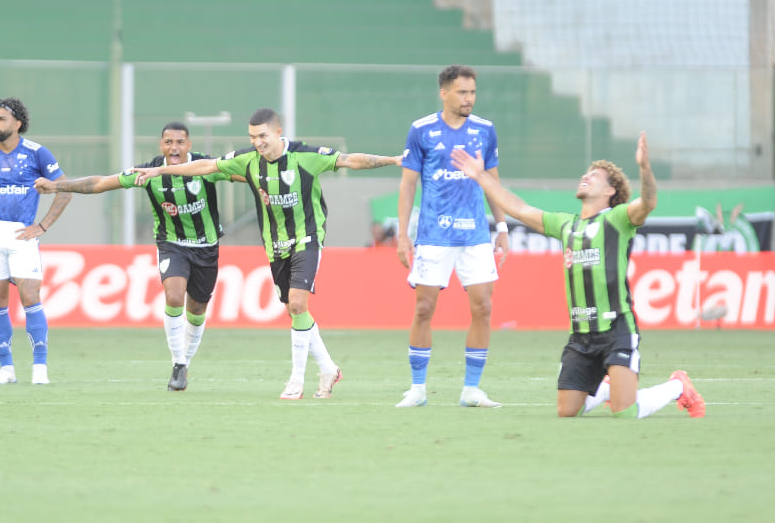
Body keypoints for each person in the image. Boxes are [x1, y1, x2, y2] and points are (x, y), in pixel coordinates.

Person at [136, 108, 401, 400]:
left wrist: (392, 160)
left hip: (307, 238)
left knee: (299, 304)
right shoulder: (248, 160)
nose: (258, 143)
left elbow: (350, 160)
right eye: (252, 137)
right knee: (293, 310)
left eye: (262, 136)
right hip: (275, 245)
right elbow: (205, 166)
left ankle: (296, 381)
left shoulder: (305, 156)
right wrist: (160, 170)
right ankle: (328, 368)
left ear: (278, 132)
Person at [450, 133, 706, 419]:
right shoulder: (565, 225)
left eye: (595, 176)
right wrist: (480, 176)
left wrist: (645, 169)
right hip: (581, 337)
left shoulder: (618, 219)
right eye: (586, 173)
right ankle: (606, 388)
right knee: (568, 411)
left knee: (625, 413)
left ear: (611, 191)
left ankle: (676, 386)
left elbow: (647, 203)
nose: (586, 177)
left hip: (616, 330)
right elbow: (518, 209)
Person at [35, 121, 242, 391]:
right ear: (161, 145)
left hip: (206, 247)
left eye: (180, 142)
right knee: (175, 296)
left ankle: (185, 363)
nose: (174, 147)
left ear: (189, 145)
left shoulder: (205, 167)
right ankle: (178, 364)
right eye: (168, 142)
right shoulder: (148, 172)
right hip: (172, 244)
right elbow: (101, 183)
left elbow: (243, 173)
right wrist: (58, 186)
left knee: (197, 310)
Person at [394, 65, 511, 409]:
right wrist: (404, 234)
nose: (469, 99)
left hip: (474, 234)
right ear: (444, 93)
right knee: (424, 309)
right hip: (434, 235)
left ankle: (471, 390)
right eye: (462, 92)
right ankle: (417, 389)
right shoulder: (422, 130)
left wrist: (501, 227)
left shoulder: (485, 131)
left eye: (472, 92)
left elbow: (493, 181)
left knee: (484, 307)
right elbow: (408, 183)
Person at [0, 98, 71, 385]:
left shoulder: (37, 153)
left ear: (17, 123)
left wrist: (43, 225)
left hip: (22, 235)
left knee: (30, 297)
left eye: (1, 119)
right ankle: (6, 370)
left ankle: (39, 370)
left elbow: (65, 189)